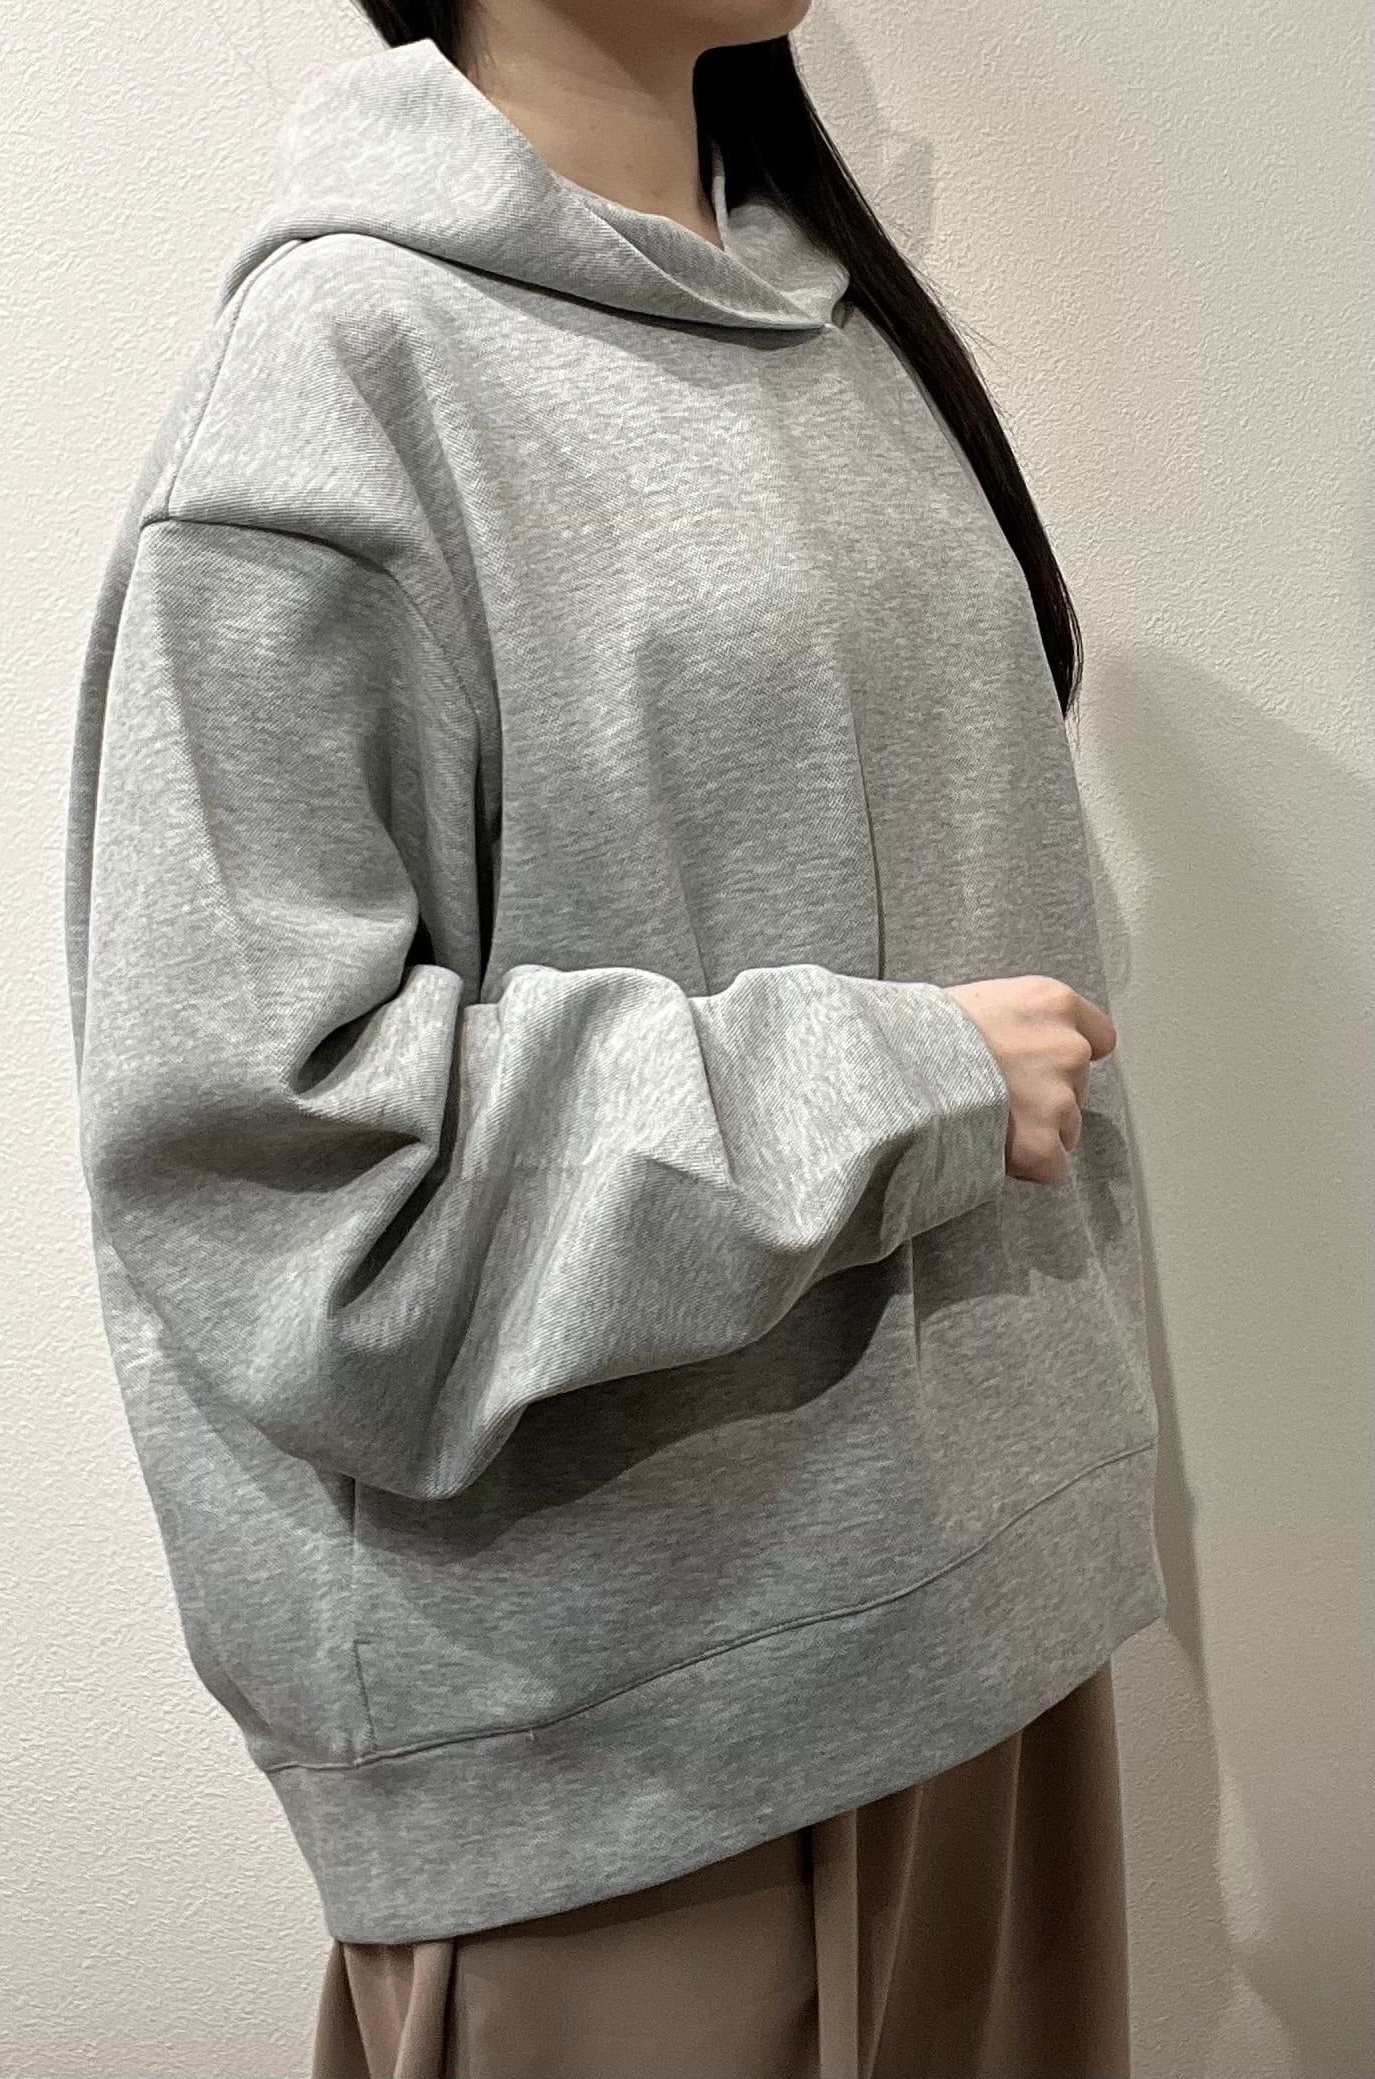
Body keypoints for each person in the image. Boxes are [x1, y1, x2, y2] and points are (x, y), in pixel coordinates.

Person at [62, 3, 1167, 2074]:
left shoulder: (848, 341)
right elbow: (276, 1176)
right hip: (633, 1762)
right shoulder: (340, 379)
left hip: (996, 1650)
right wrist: (898, 1081)